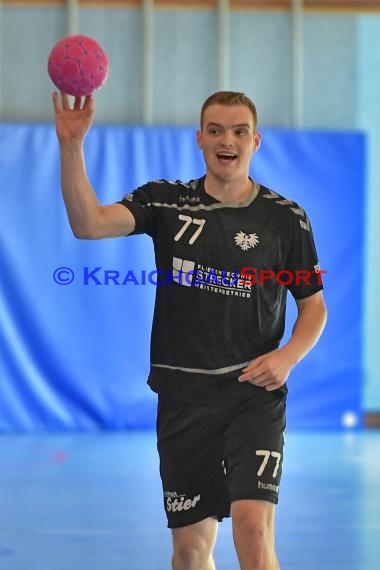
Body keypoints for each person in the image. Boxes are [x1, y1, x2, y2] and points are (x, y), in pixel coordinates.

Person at [52, 90, 327, 570]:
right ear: (200, 139)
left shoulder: (286, 219)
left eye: (239, 130)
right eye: (216, 130)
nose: (228, 140)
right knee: (189, 552)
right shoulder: (166, 201)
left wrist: (288, 356)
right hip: (184, 399)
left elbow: (313, 308)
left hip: (252, 396)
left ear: (256, 141)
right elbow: (89, 224)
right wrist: (71, 145)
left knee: (253, 533)